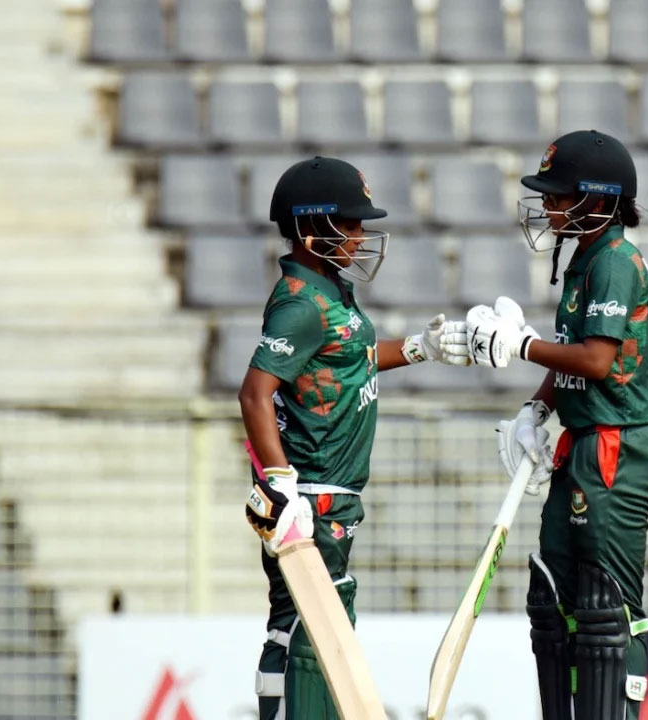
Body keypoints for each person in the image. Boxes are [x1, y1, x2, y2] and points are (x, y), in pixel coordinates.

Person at [464, 130, 648, 720]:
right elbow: (573, 349)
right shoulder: (586, 257)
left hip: (619, 442)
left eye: (560, 195)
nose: (547, 206)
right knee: (556, 602)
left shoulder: (615, 261)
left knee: (606, 608)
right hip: (587, 439)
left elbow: (595, 360)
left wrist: (520, 344)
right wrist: (536, 410)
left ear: (600, 200)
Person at [239, 156, 468, 720]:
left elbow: (352, 356)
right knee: (306, 629)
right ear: (311, 228)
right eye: (349, 224)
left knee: (310, 625)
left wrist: (419, 348)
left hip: (330, 493)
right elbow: (254, 393)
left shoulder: (330, 289)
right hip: (310, 493)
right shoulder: (301, 303)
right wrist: (281, 485)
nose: (361, 236)